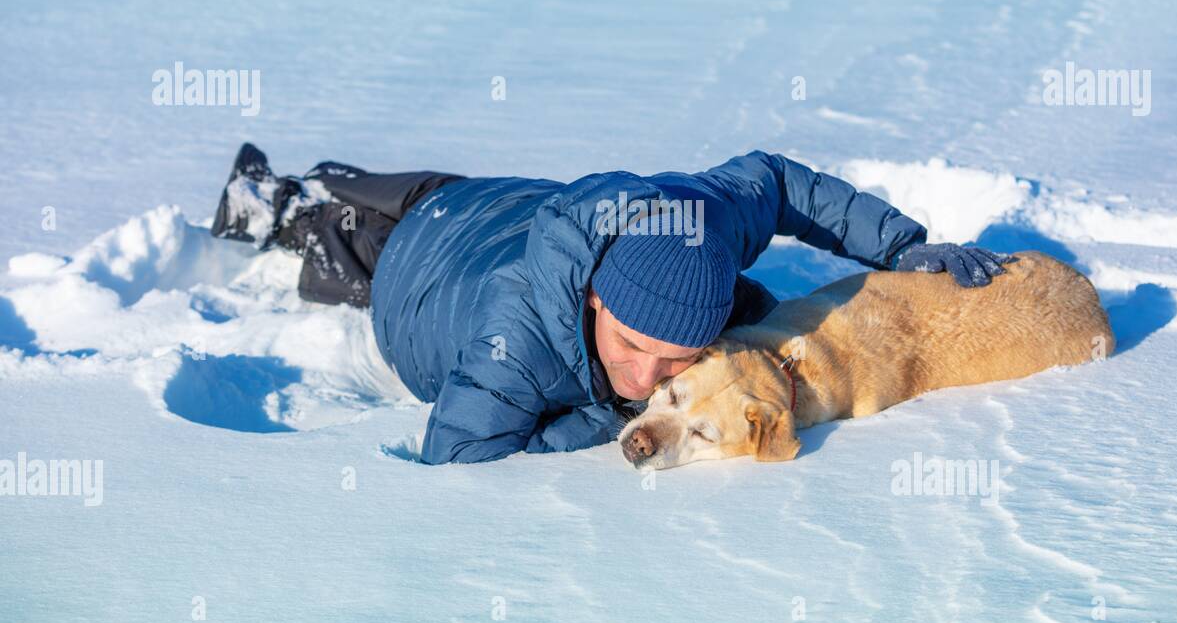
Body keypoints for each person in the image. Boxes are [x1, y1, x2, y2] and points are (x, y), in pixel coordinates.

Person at [210, 143, 1014, 464]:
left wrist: (904, 247)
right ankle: (282, 214)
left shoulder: (701, 221)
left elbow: (781, 182)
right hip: (421, 281)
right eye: (631, 345)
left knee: (432, 194)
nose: (643, 377)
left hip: (515, 203)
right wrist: (599, 420)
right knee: (356, 244)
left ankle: (333, 190)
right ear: (594, 294)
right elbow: (455, 461)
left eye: (677, 363)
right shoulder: (513, 343)